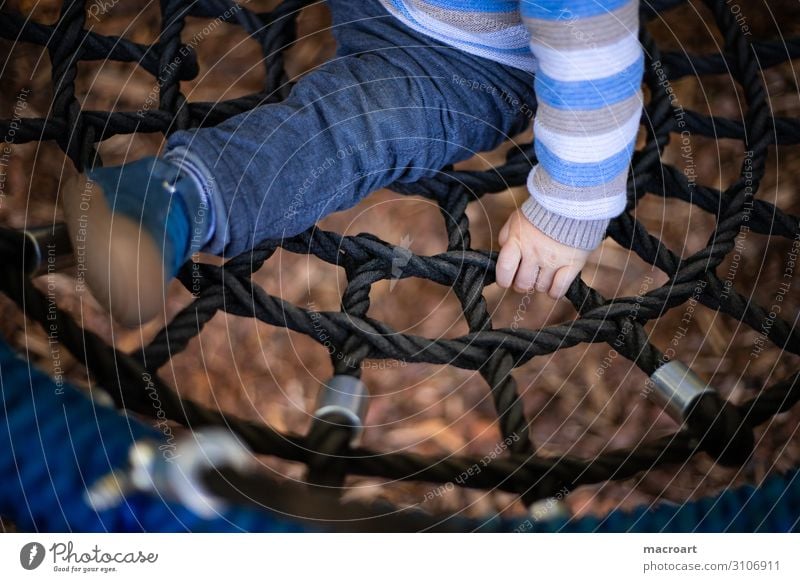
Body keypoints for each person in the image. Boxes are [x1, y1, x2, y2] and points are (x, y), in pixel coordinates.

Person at [62, 0, 643, 326]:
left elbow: (593, 58)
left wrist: (569, 204)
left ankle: (175, 200)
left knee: (353, 127)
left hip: (471, 58)